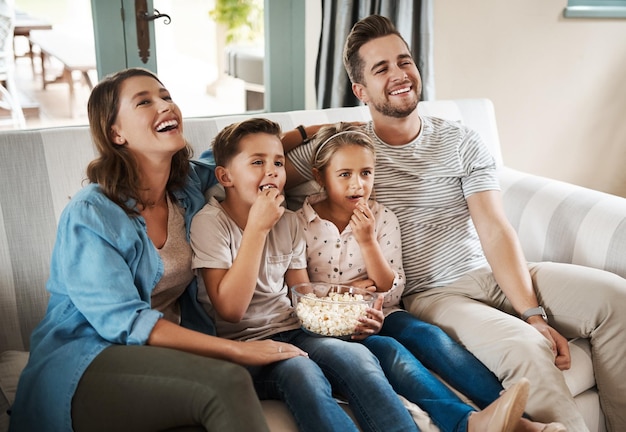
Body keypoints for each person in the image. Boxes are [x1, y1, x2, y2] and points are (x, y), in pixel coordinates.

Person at [284, 14, 626, 432]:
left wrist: (532, 311)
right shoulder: (348, 151)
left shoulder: (460, 138)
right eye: (382, 69)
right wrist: (309, 129)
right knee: (526, 347)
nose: (400, 74)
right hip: (436, 294)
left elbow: (495, 229)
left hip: (488, 271)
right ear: (360, 91)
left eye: (404, 61)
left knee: (615, 298)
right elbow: (252, 170)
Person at [9, 68, 309, 432]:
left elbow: (240, 160)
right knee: (228, 380)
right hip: (88, 356)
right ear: (115, 132)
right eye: (144, 101)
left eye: (166, 97)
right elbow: (124, 321)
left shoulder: (187, 189)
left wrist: (308, 133)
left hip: (161, 358)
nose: (165, 106)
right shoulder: (91, 213)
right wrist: (239, 350)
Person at [295, 122, 565, 432]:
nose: (358, 184)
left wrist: (367, 243)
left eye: (366, 173)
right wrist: (349, 294)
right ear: (319, 176)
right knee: (394, 354)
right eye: (345, 174)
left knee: (431, 337)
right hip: (331, 328)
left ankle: (510, 418)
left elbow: (392, 288)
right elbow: (303, 296)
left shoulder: (382, 218)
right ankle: (471, 423)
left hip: (383, 311)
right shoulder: (299, 224)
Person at [189, 117, 423, 432]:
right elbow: (231, 311)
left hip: (294, 330)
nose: (271, 171)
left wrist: (352, 315)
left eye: (277, 162)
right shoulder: (210, 224)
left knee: (359, 359)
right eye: (257, 162)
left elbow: (303, 296)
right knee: (303, 372)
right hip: (243, 345)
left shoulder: (287, 222)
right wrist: (257, 229)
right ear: (225, 176)